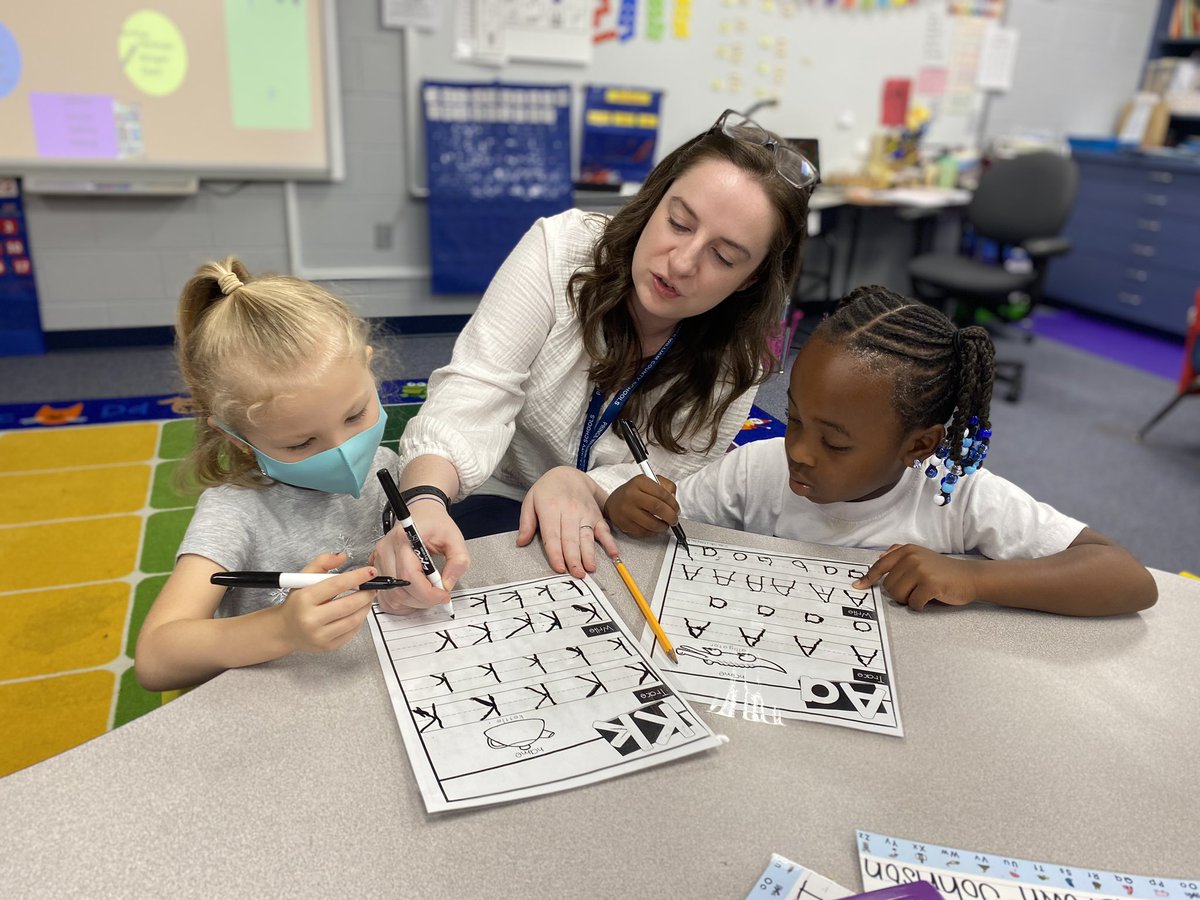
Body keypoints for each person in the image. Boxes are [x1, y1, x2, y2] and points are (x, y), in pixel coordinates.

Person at [375, 110, 816, 614]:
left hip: (606, 523)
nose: (682, 262)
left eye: (725, 257)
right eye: (678, 222)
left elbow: (672, 473)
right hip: (491, 488)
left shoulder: (742, 357)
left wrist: (586, 483)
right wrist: (425, 501)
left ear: (752, 279)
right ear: (652, 203)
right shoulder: (560, 249)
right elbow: (475, 389)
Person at [609, 285, 1158, 617]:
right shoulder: (758, 469)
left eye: (835, 441)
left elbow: (1125, 577)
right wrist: (624, 505)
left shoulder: (954, 495)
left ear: (918, 445)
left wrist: (972, 578)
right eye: (795, 417)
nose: (798, 451)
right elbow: (655, 510)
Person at [135, 258, 413, 692]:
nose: (343, 450)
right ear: (239, 440)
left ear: (369, 367)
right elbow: (155, 658)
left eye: (356, 414)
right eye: (301, 444)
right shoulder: (235, 511)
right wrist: (281, 629)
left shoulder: (390, 467)